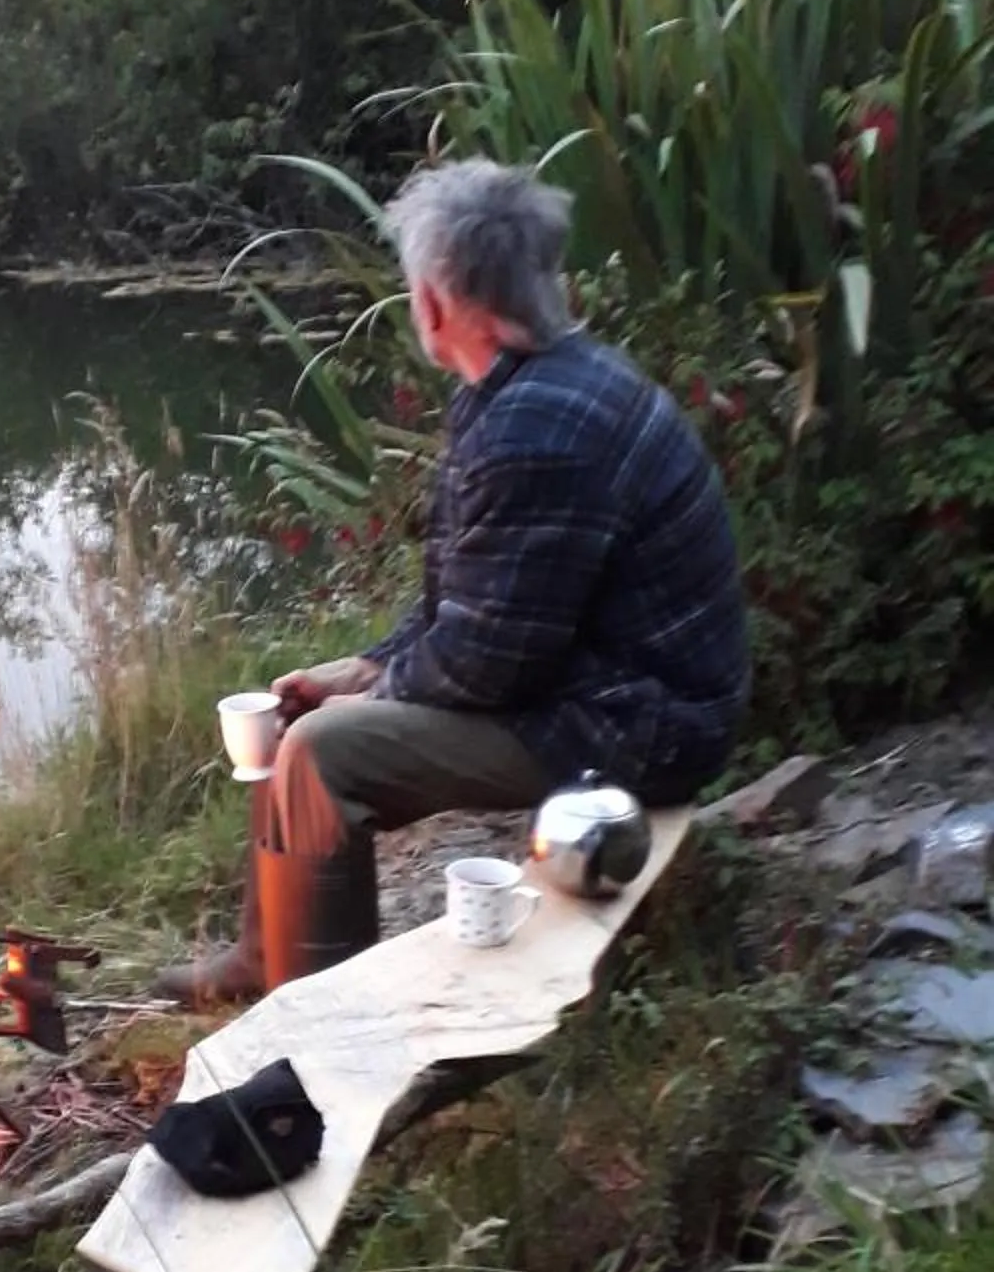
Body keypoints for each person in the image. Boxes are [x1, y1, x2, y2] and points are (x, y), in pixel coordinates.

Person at [161, 156, 750, 1006]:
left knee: (322, 753)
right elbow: (473, 598)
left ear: (434, 300)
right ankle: (268, 958)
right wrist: (366, 668)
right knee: (329, 721)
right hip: (624, 689)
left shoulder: (535, 430)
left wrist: (364, 703)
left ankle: (316, 1013)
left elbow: (489, 665)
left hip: (639, 727)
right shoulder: (545, 385)